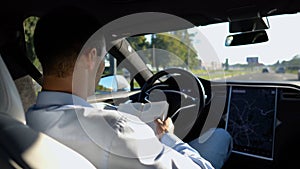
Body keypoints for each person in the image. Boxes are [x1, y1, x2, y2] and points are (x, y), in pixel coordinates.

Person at [26, 6, 232, 169]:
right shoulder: (119, 129)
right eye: (103, 58)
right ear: (90, 57)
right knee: (220, 137)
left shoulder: (28, 118)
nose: (103, 66)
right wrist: (168, 136)